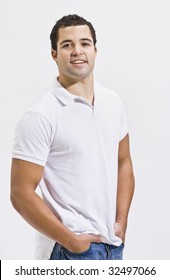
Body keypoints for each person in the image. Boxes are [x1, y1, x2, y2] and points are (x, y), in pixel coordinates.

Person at [10, 14, 135, 260]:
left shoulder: (112, 101)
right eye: (67, 45)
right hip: (69, 250)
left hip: (112, 244)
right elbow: (20, 192)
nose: (77, 51)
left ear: (95, 50)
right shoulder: (41, 115)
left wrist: (121, 224)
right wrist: (72, 241)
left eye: (84, 43)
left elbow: (124, 161)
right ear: (54, 54)